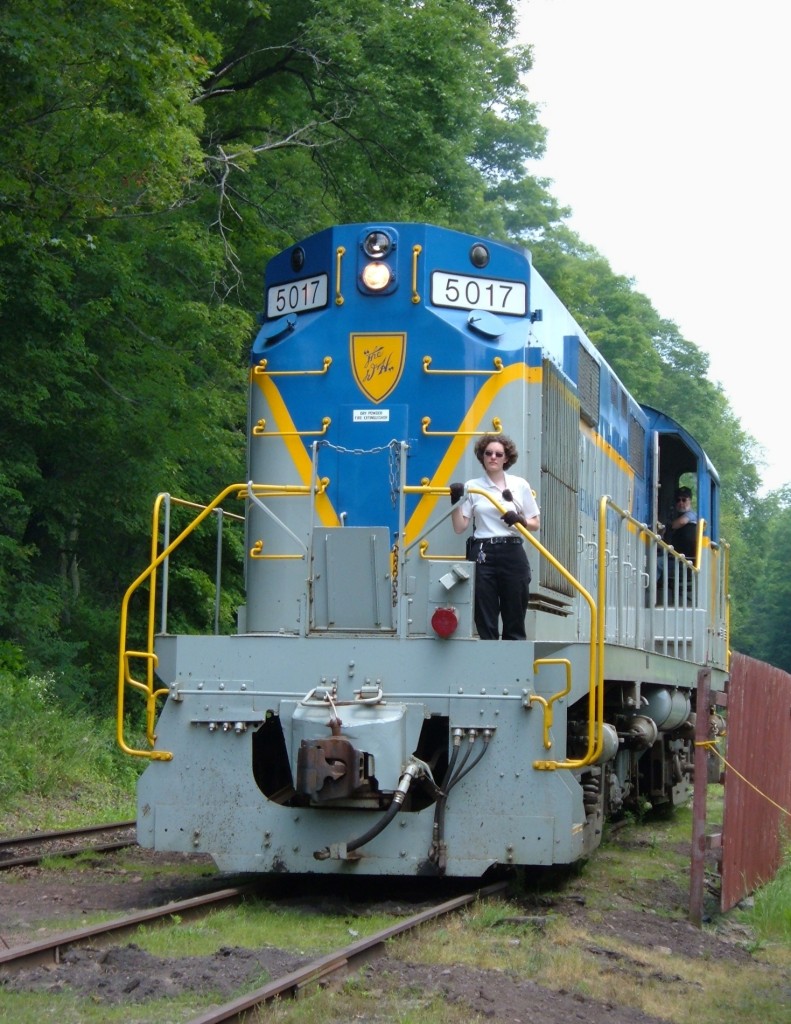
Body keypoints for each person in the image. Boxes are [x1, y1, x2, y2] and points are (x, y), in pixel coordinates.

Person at [449, 433, 540, 640]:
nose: (493, 457)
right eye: (488, 453)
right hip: (483, 553)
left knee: (515, 614)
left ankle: (513, 666)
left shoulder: (519, 485)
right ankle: (488, 663)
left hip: (512, 551)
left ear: (506, 458)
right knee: (484, 615)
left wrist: (520, 520)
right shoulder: (472, 486)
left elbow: (535, 523)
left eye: (499, 454)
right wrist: (455, 501)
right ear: (482, 456)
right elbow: (460, 526)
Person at [665, 486, 698, 561]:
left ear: (690, 501)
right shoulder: (674, 516)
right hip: (676, 555)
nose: (681, 503)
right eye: (678, 500)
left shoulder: (692, 515)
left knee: (657, 564)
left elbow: (681, 522)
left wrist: (667, 527)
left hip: (685, 559)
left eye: (684, 500)